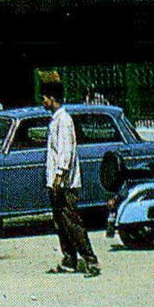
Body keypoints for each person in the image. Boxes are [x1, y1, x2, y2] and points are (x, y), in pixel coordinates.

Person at [42, 75, 100, 278]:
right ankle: (69, 259)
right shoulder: (55, 120)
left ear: (52, 98)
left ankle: (91, 260)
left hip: (66, 184)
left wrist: (60, 175)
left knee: (72, 223)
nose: (43, 102)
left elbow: (66, 152)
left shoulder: (64, 121)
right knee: (61, 223)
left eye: (45, 98)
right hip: (56, 183)